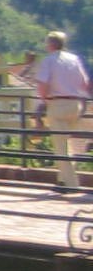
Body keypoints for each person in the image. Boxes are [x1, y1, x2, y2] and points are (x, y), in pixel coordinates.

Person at [20, 30, 93, 193]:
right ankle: (62, 179)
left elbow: (42, 85)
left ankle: (71, 184)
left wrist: (45, 100)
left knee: (61, 146)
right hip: (76, 104)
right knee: (70, 145)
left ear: (51, 44)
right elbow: (85, 83)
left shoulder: (49, 61)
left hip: (58, 104)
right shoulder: (74, 59)